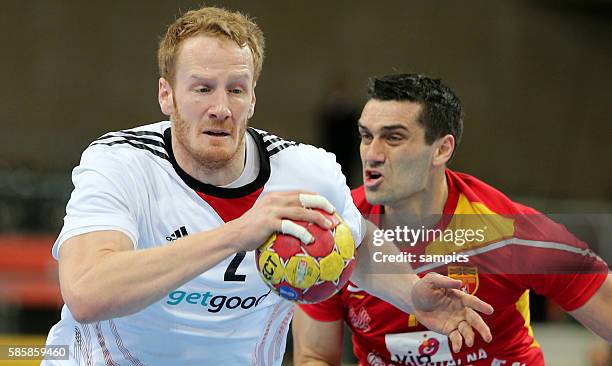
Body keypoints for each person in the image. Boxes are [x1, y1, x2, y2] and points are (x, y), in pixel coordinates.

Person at [42, 9, 494, 366]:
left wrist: (411, 292)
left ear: (253, 97)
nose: (221, 107)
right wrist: (239, 233)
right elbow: (86, 292)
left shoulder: (306, 170)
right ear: (167, 95)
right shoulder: (120, 162)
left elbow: (356, 244)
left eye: (236, 90)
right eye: (202, 89)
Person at [294, 73, 612, 366]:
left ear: (442, 149)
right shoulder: (333, 234)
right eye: (366, 136)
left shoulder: (511, 232)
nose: (372, 153)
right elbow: (314, 356)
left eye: (393, 138)